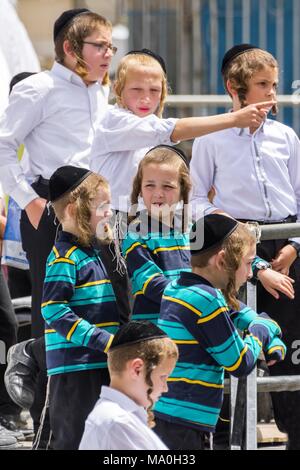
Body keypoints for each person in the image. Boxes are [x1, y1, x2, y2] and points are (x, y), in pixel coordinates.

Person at [0, 8, 116, 445]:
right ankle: (48, 426)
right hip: (49, 208)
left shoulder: (102, 93)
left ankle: (87, 426)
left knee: (99, 308)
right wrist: (29, 201)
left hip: (100, 211)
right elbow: (3, 145)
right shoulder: (38, 88)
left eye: (111, 47)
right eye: (99, 46)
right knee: (58, 312)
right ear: (71, 49)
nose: (108, 54)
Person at [190, 44, 300, 450]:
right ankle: (232, 438)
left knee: (291, 345)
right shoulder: (212, 138)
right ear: (235, 88)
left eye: (274, 85)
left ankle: (295, 434)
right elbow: (197, 200)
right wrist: (236, 236)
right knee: (235, 343)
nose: (272, 95)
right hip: (235, 251)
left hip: (285, 245)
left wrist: (291, 247)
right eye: (262, 86)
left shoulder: (286, 137)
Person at [90, 48, 274, 223]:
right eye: (136, 89)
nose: (146, 98)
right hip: (111, 219)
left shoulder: (150, 128)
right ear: (118, 88)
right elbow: (169, 130)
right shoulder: (113, 120)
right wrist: (234, 119)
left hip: (146, 220)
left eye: (154, 90)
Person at [153, 214, 286, 450]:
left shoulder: (179, 287)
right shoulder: (207, 300)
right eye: (248, 263)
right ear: (222, 260)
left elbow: (233, 312)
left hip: (171, 415)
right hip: (185, 423)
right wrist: (261, 332)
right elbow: (240, 362)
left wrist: (263, 325)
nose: (248, 274)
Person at [122, 145, 294, 326]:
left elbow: (233, 250)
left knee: (263, 324)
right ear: (139, 189)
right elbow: (152, 285)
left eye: (167, 186)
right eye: (150, 185)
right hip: (160, 334)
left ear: (183, 190)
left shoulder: (192, 228)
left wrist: (262, 270)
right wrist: (205, 298)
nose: (158, 193)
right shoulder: (136, 235)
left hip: (199, 327)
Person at [40, 165, 120, 450]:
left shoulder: (91, 252)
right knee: (75, 442)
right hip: (74, 370)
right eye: (103, 207)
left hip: (97, 363)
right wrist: (103, 340)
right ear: (74, 211)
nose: (109, 213)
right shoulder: (65, 258)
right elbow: (53, 309)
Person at [79, 320, 178, 450]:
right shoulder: (118, 422)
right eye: (163, 377)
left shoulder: (118, 419)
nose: (165, 388)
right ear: (137, 369)